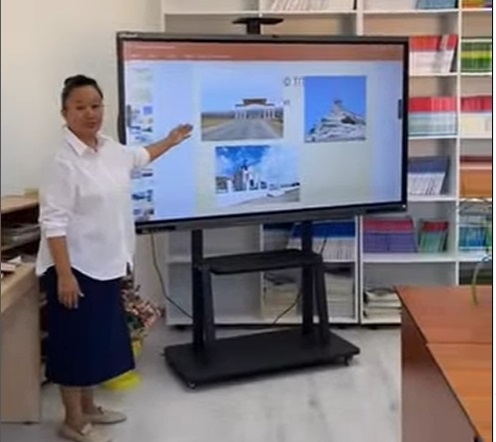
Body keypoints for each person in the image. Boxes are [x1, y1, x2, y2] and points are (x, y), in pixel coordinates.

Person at [36, 74, 192, 442]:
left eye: (95, 105)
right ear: (64, 112)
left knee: (94, 345)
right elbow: (53, 222)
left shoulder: (110, 149)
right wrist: (65, 275)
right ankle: (73, 421)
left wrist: (171, 140)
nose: (89, 113)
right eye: (80, 107)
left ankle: (89, 407)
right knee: (74, 347)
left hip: (106, 266)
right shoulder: (62, 162)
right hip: (75, 270)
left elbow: (141, 156)